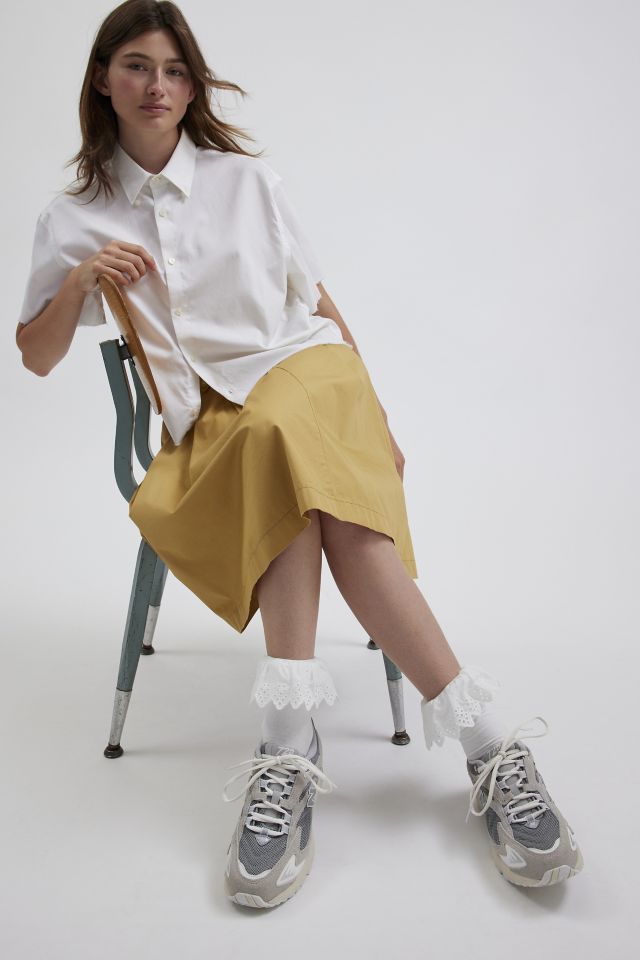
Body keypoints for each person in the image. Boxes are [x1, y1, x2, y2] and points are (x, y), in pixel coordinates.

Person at [15, 0, 583, 910]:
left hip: (311, 380)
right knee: (291, 472)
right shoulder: (75, 216)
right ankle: (490, 748)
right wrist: (82, 280)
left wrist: (376, 416)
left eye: (173, 70)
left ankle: (289, 746)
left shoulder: (246, 181)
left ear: (192, 86)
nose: (157, 86)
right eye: (136, 66)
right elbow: (35, 356)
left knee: (284, 437)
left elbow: (314, 301)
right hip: (220, 425)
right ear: (102, 79)